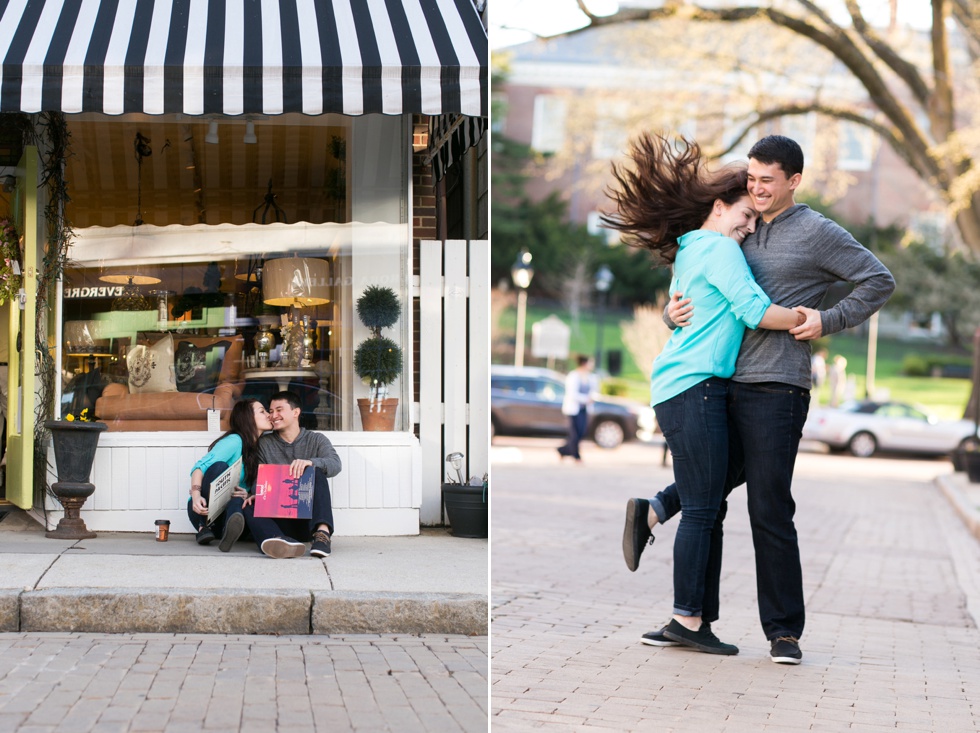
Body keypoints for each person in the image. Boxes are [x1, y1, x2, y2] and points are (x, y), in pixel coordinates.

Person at [623, 135, 895, 664]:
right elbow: (701, 288)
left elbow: (877, 280)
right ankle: (690, 614)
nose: (758, 189)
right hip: (719, 383)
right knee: (711, 496)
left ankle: (783, 632)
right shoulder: (736, 229)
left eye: (768, 180)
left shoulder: (817, 232)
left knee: (769, 506)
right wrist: (668, 314)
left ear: (793, 181)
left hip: (777, 387)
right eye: (752, 179)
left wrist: (828, 319)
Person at [605, 132, 814, 655]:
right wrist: (808, 319)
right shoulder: (719, 248)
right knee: (703, 507)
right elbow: (752, 311)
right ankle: (686, 621)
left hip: (695, 385)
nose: (747, 229)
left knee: (720, 485)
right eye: (743, 217)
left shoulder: (694, 248)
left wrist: (669, 316)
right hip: (692, 386)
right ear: (719, 207)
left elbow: (693, 308)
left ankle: (655, 512)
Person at [243, 390, 341, 559]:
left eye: (279, 410)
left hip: (307, 521)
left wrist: (311, 462)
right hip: (280, 520)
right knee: (247, 503)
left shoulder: (316, 440)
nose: (273, 415)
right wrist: (255, 492)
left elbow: (335, 464)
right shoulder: (264, 444)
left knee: (316, 472)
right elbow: (258, 477)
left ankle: (322, 535)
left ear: (296, 412)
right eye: (271, 411)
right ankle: (276, 540)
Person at [187, 398, 272, 552]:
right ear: (248, 418)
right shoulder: (235, 441)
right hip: (205, 512)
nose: (268, 415)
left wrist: (247, 495)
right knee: (219, 466)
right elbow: (199, 468)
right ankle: (202, 527)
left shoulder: (260, 448)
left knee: (240, 499)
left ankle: (230, 533)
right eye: (262, 411)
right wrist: (196, 494)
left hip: (230, 515)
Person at [557, 355, 599, 461]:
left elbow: (594, 390)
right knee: (574, 433)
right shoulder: (573, 376)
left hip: (584, 409)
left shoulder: (591, 377)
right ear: (584, 363)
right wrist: (586, 399)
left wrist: (592, 397)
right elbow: (572, 393)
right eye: (590, 362)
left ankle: (563, 450)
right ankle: (576, 455)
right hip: (573, 409)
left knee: (582, 431)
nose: (592, 365)